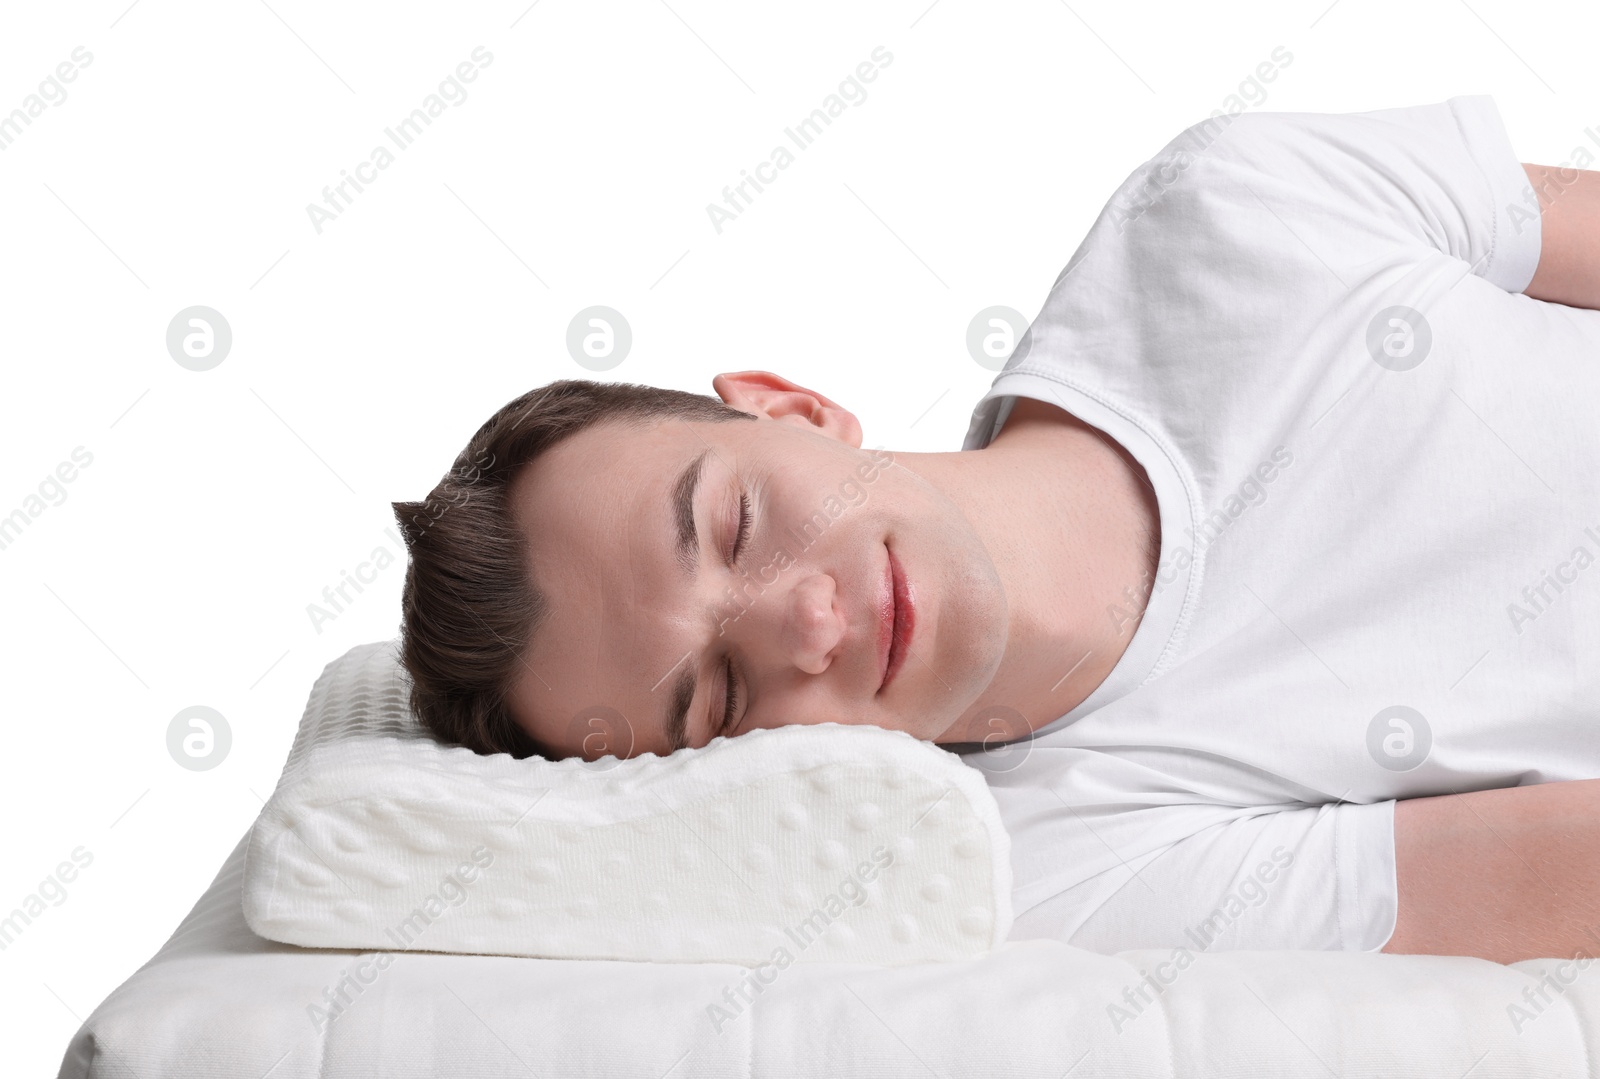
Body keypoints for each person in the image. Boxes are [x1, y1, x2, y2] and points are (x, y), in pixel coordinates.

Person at [392, 95, 1600, 965]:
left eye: (736, 520)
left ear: (792, 405)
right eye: (716, 695)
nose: (810, 621)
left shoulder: (1232, 208)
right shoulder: (1052, 864)